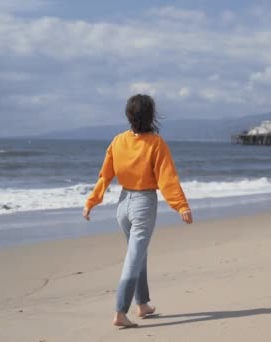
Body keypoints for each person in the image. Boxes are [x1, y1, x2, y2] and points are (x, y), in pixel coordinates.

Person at [83, 94, 193, 328]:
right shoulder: (156, 143)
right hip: (143, 204)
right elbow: (167, 178)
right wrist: (181, 205)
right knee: (134, 256)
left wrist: (92, 201)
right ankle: (120, 311)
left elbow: (105, 175)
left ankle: (142, 304)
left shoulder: (118, 141)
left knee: (138, 252)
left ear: (129, 115)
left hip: (123, 205)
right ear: (151, 116)